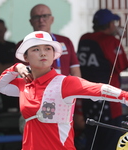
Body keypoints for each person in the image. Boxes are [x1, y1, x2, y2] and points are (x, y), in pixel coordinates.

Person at [0, 31, 128, 150]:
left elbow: (99, 89)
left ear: (53, 54)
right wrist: (16, 67)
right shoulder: (24, 84)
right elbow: (0, 86)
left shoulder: (65, 82)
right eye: (36, 49)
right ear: (26, 57)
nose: (43, 53)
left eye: (47, 48)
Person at [16, 4, 85, 140]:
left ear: (52, 19)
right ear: (31, 21)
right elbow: (19, 78)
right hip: (36, 103)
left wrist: (76, 105)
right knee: (35, 140)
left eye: (45, 16)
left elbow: (76, 74)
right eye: (37, 17)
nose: (41, 20)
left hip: (63, 101)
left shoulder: (65, 41)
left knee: (61, 140)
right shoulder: (23, 46)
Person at [77, 9, 128, 150]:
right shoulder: (110, 41)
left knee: (92, 139)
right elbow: (123, 65)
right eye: (113, 22)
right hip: (109, 99)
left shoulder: (84, 38)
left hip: (88, 96)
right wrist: (117, 41)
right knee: (110, 142)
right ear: (109, 24)